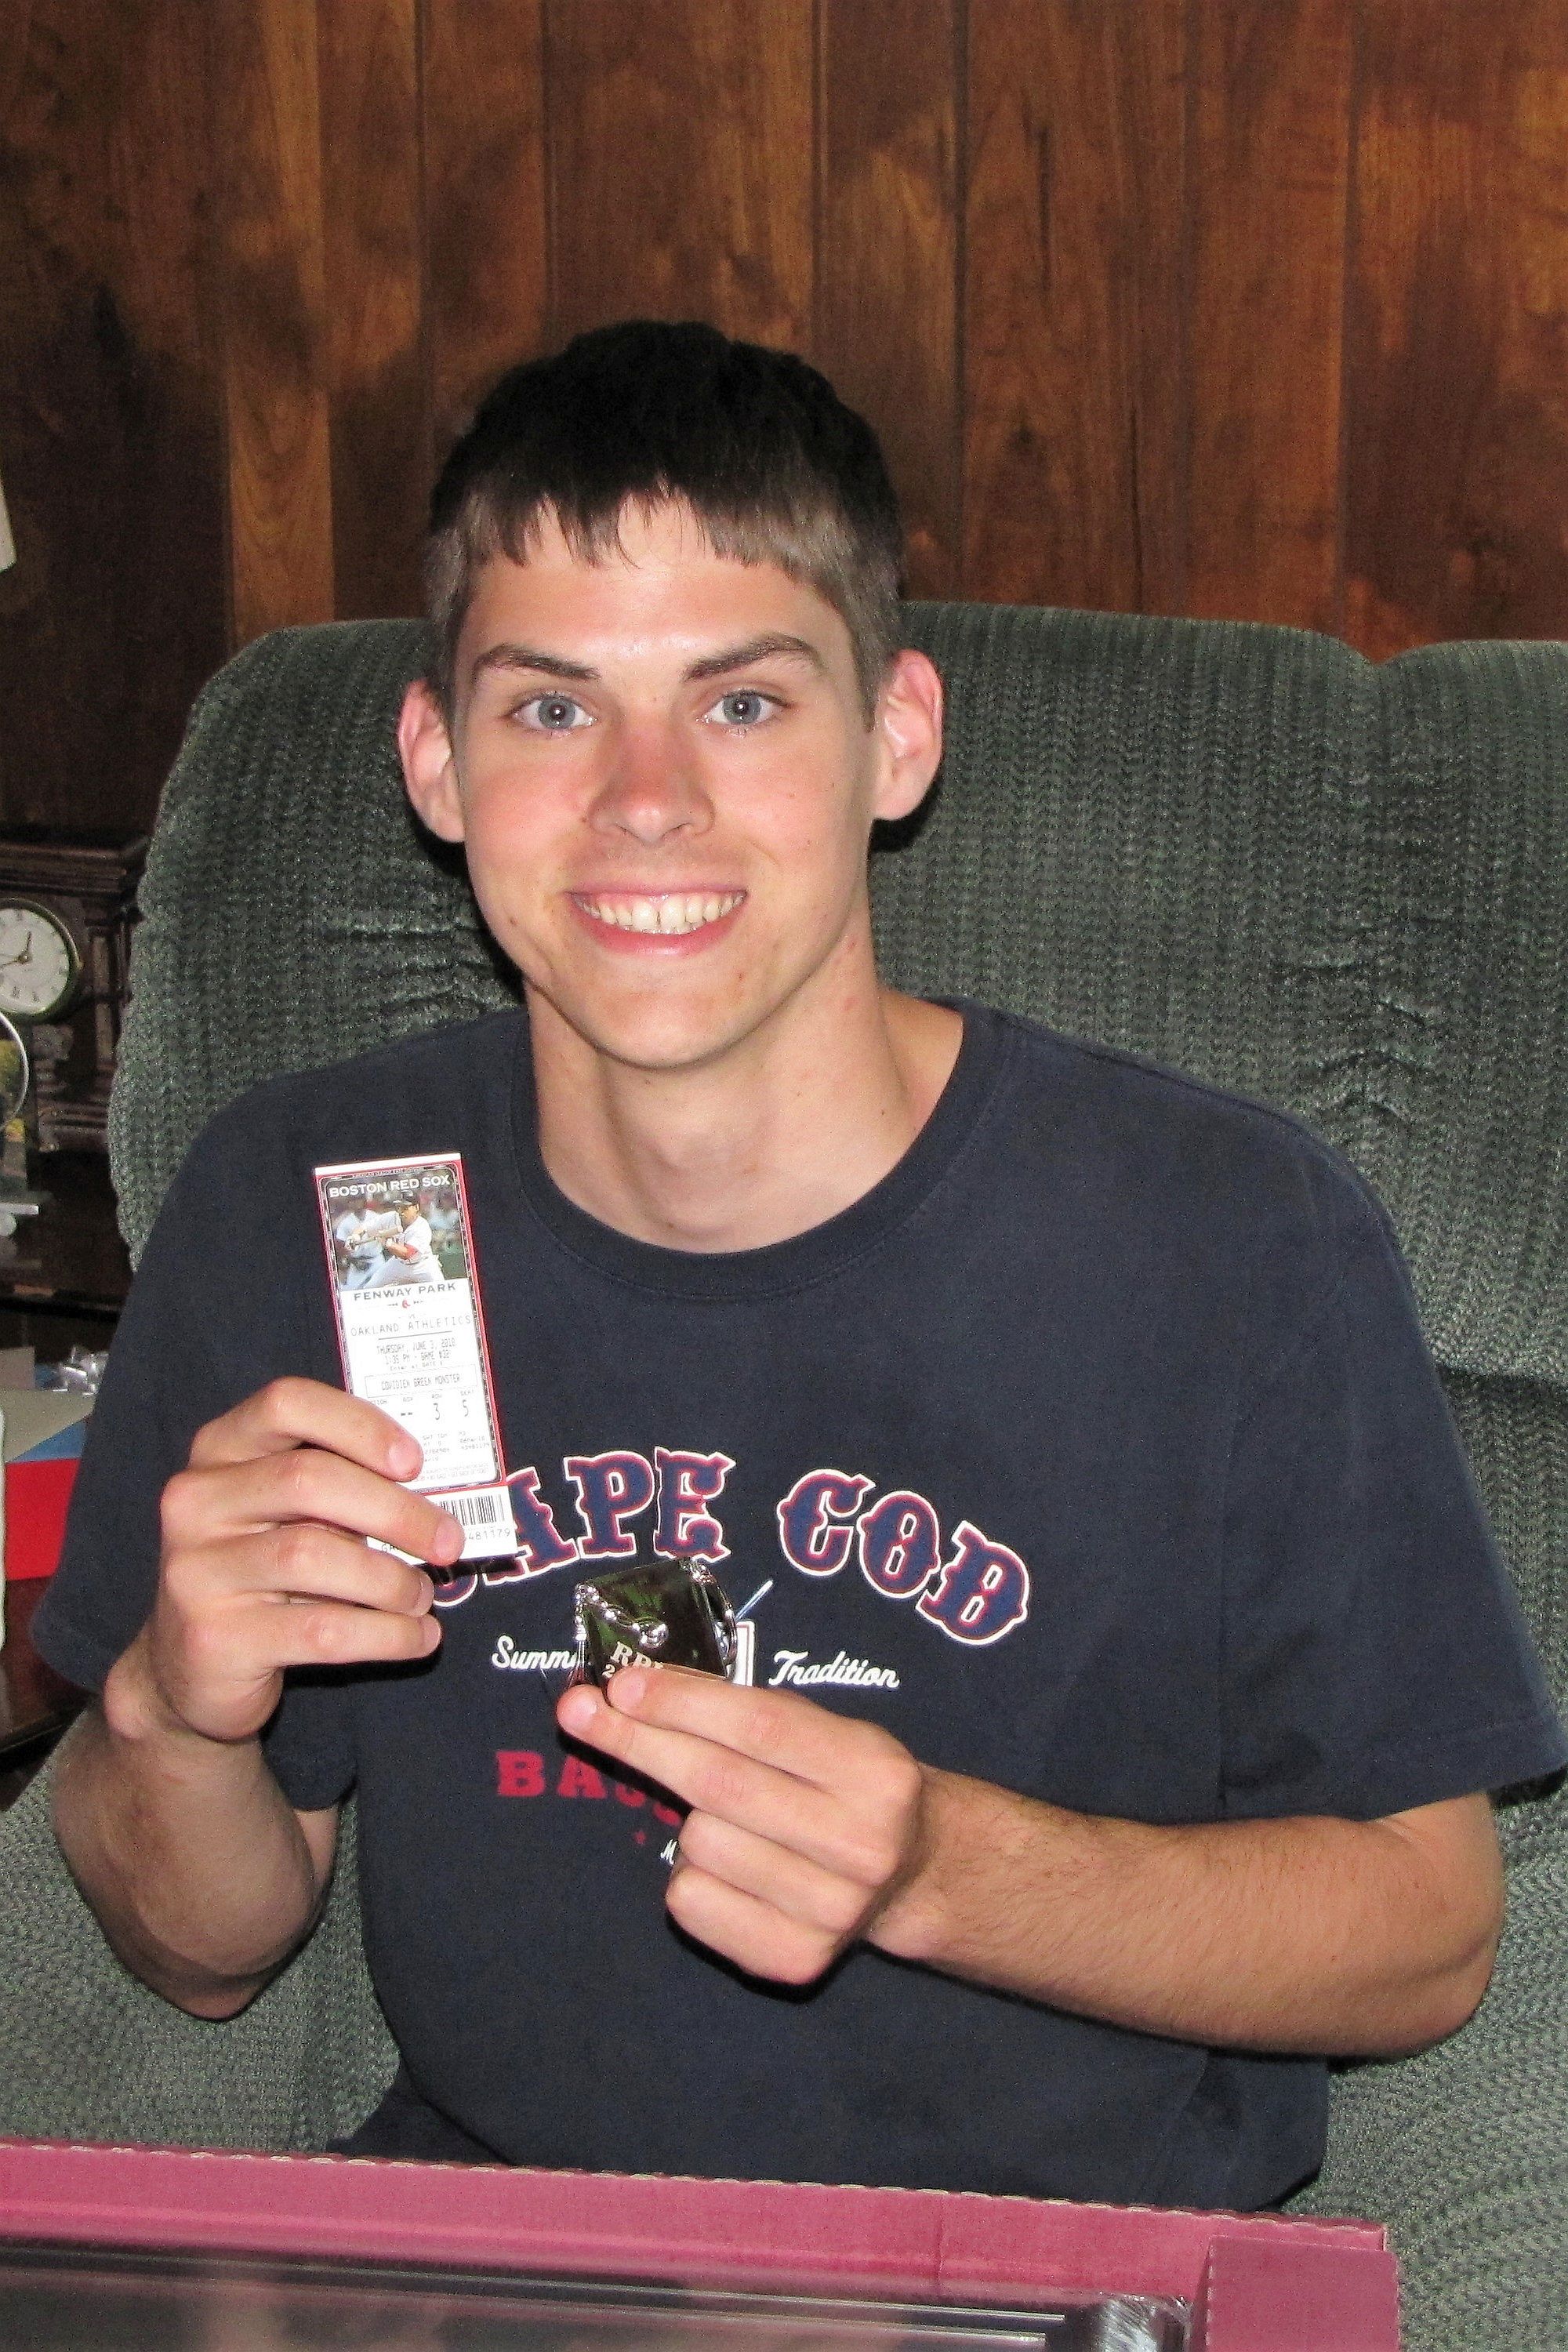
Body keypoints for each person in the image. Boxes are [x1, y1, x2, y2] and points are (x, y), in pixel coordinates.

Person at [37, 321, 1564, 2209]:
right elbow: (201, 1953)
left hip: (1058, 2283)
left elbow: (1425, 1935)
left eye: (744, 703)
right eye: (550, 710)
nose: (646, 796)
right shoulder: (305, 1198)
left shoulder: (1234, 1239)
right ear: (435, 763)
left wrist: (938, 1871)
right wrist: (172, 1714)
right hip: (499, 2254)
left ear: (894, 737)